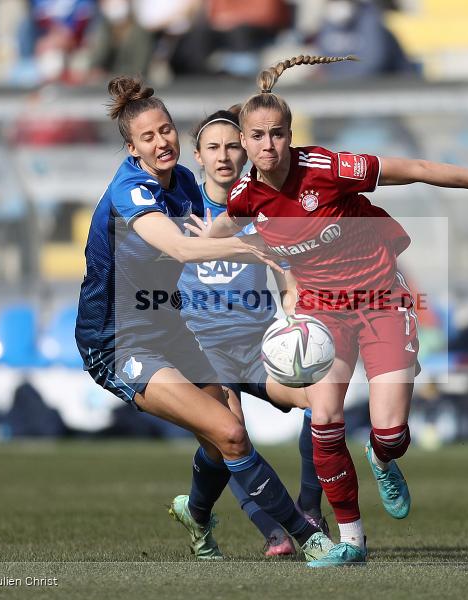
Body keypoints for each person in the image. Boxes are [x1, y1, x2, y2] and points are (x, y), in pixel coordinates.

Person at [200, 54, 468, 566]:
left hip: (381, 301)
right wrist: (203, 239)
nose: (269, 145)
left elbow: (416, 169)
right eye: (259, 136)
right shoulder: (246, 197)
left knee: (390, 432)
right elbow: (223, 227)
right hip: (321, 315)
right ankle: (351, 541)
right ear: (245, 142)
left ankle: (382, 456)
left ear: (291, 133)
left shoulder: (330, 169)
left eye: (279, 133)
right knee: (326, 418)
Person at [74, 76, 334, 562]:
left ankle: (195, 515)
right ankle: (309, 537)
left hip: (167, 327)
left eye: (166, 130)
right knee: (231, 432)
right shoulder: (130, 191)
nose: (161, 141)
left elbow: (211, 231)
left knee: (220, 436)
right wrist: (250, 248)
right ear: (132, 148)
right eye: (148, 137)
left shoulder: (186, 183)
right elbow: (178, 248)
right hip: (118, 342)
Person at [177, 107, 327, 557]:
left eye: (232, 145)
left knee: (324, 403)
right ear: (198, 157)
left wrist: (293, 318)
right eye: (212, 148)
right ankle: (274, 531)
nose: (224, 156)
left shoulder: (266, 208)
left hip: (258, 345)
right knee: (230, 433)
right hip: (203, 347)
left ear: (247, 149)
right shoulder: (175, 209)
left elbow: (288, 282)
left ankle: (308, 507)